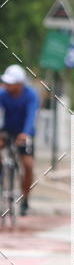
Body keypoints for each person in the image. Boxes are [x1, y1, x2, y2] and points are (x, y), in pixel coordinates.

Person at [0, 64, 40, 215]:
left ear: (20, 84)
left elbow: (31, 116)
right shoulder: (2, 94)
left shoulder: (31, 95)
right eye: (6, 82)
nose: (7, 85)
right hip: (6, 131)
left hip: (24, 133)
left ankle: (25, 199)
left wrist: (25, 133)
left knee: (28, 165)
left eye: (10, 83)